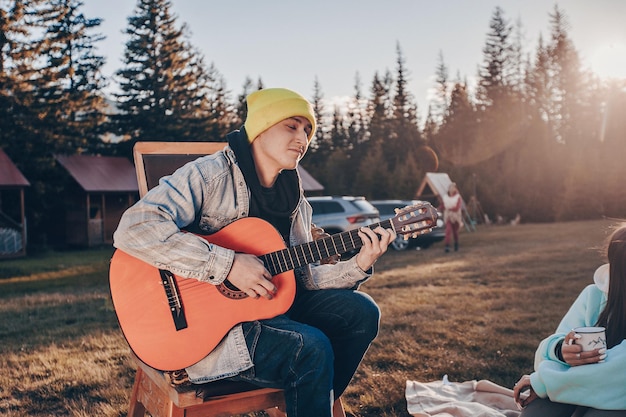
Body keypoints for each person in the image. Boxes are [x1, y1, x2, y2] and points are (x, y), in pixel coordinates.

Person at [113, 87, 396, 417]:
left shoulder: (293, 197)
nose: (302, 138)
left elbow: (303, 277)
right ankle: (311, 394)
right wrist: (227, 265)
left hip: (274, 312)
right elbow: (134, 227)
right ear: (261, 128)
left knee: (362, 312)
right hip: (211, 333)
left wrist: (359, 264)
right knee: (311, 348)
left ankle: (310, 399)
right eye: (291, 126)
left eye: (307, 130)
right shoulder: (210, 175)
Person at [513, 224, 626, 416]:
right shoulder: (595, 295)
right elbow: (551, 346)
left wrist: (543, 382)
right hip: (578, 384)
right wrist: (561, 351)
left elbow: (619, 373)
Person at [441, 182, 463, 252]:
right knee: (448, 230)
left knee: (455, 232)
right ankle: (447, 246)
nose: (452, 189)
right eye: (451, 188)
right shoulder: (445, 197)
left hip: (455, 216)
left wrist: (449, 208)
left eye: (453, 188)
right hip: (448, 215)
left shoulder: (458, 197)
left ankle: (456, 244)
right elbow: (443, 205)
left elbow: (457, 207)